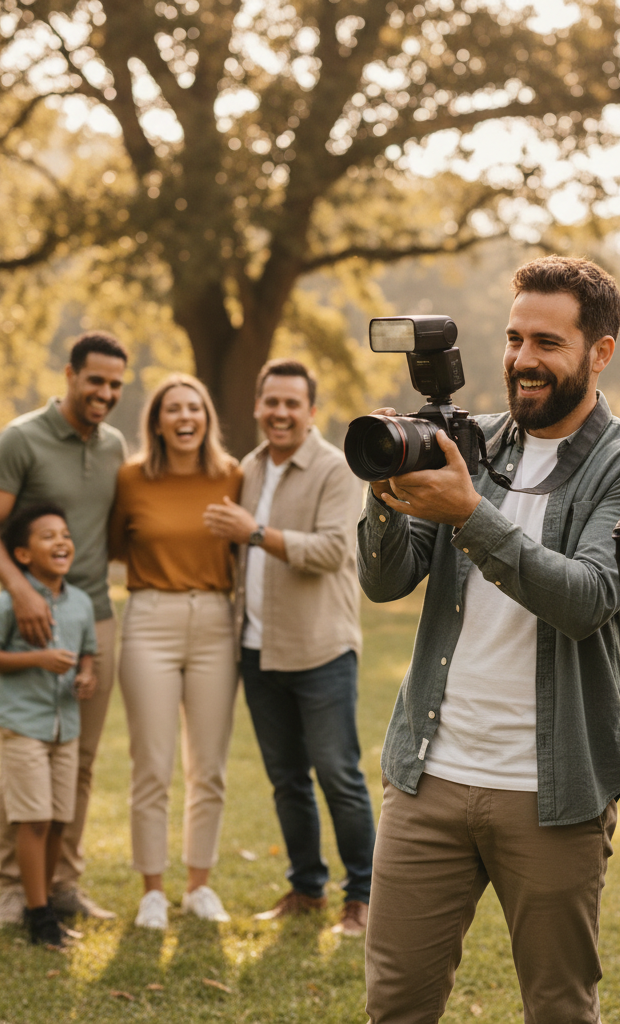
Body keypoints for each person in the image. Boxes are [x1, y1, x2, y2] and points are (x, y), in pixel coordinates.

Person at [356, 255, 620, 1023]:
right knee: (394, 1003)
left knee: (559, 1008)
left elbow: (591, 600)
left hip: (553, 789)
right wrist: (385, 493)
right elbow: (386, 581)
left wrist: (469, 512)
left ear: (599, 352)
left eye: (547, 342)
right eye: (512, 338)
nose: (522, 360)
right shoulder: (475, 444)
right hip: (426, 773)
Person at [202, 358, 375, 937]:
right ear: (257, 406)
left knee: (337, 774)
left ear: (310, 412)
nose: (279, 413)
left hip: (321, 649)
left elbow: (332, 551)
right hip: (256, 650)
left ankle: (364, 896)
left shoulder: (333, 467)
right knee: (286, 779)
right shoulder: (247, 468)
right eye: (270, 402)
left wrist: (251, 532)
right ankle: (306, 888)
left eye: (291, 404)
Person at [0, 331, 127, 925]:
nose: (105, 393)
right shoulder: (21, 439)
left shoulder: (114, 446)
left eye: (115, 385)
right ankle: (14, 886)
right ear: (70, 375)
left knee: (78, 758)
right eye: (95, 381)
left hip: (95, 619)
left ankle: (64, 883)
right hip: (31, 618)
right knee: (25, 752)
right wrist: (20, 592)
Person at [108, 373, 243, 929]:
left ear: (206, 418)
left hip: (215, 620)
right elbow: (115, 544)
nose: (185, 418)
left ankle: (199, 886)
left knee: (208, 767)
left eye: (195, 408)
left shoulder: (232, 475)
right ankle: (152, 892)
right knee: (152, 764)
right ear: (157, 421)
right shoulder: (131, 478)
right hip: (149, 621)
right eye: (174, 410)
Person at [0, 504, 98, 947]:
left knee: (60, 819)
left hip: (66, 727)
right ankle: (39, 914)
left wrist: (86, 675)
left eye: (65, 534)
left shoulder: (81, 602)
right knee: (35, 819)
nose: (61, 542)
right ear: (23, 555)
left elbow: (88, 651)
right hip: (22, 725)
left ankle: (39, 902)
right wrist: (37, 659)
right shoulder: (10, 601)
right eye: (48, 536)